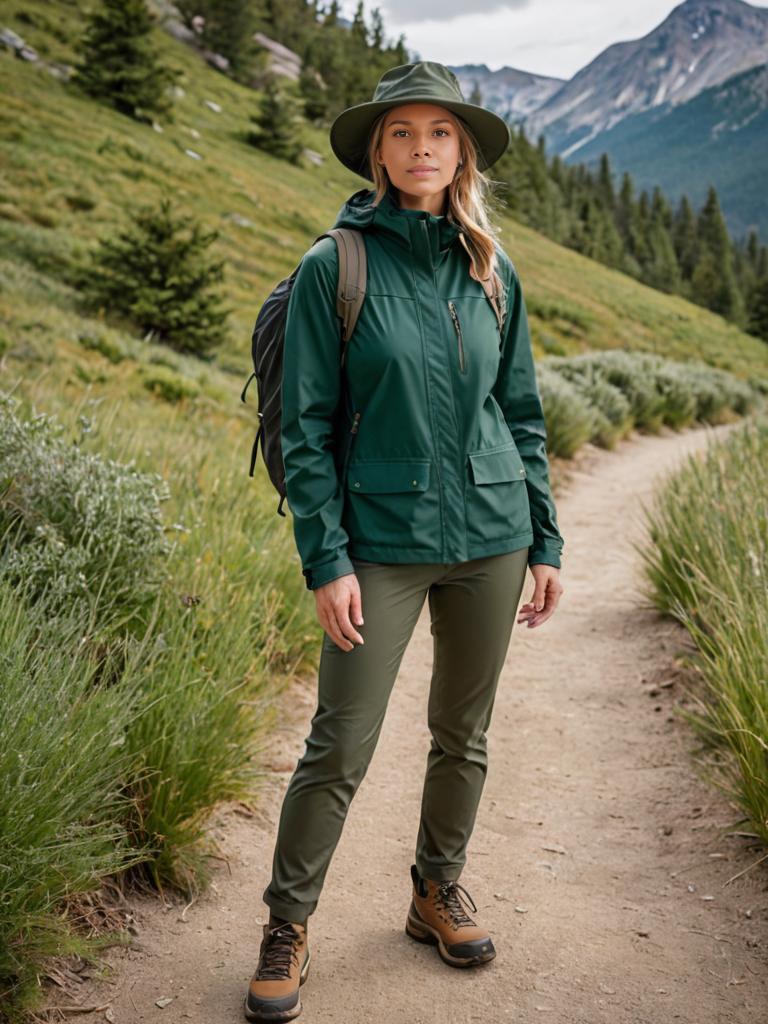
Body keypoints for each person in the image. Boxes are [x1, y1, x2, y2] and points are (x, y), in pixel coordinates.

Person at [244, 61, 565, 1022]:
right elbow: (303, 428)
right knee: (339, 742)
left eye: (439, 133)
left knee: (462, 735)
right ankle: (287, 924)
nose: (421, 149)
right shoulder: (332, 267)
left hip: (492, 534)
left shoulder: (492, 267)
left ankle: (436, 891)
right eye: (402, 133)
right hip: (377, 541)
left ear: (460, 149)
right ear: (377, 151)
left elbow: (521, 413)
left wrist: (544, 537)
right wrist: (326, 559)